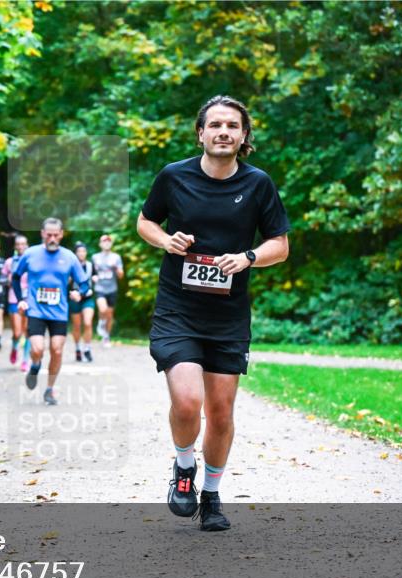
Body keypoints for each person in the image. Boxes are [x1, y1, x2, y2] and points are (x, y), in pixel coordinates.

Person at [137, 95, 290, 530]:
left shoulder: (258, 184)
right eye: (215, 125)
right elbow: (145, 221)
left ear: (244, 137)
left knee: (221, 413)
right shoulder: (174, 177)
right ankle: (184, 469)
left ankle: (212, 496)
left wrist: (247, 257)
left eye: (232, 126)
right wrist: (165, 240)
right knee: (188, 403)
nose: (224, 131)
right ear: (201, 133)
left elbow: (279, 245)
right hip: (178, 308)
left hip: (228, 315)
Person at [12, 217, 91, 406]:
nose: (52, 238)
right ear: (42, 234)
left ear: (61, 235)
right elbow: (15, 277)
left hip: (59, 313)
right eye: (49, 235)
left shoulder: (70, 257)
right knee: (37, 349)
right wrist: (21, 300)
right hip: (36, 311)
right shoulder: (31, 254)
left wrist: (78, 293)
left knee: (56, 350)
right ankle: (35, 366)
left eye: (56, 235)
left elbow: (84, 282)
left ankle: (49, 389)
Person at [3, 234, 32, 371]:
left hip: (29, 299)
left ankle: (25, 360)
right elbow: (2, 278)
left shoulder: (32, 261)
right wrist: (8, 281)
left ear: (27, 246)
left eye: (23, 244)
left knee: (28, 331)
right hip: (14, 298)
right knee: (17, 332)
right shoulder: (9, 262)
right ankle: (14, 348)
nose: (20, 246)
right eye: (18, 244)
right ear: (15, 246)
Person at [92, 234, 124, 347]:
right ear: (100, 244)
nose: (106, 243)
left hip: (112, 289)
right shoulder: (95, 257)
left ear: (111, 244)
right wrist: (93, 277)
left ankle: (106, 337)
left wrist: (117, 268)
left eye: (108, 241)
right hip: (100, 288)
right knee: (103, 309)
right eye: (104, 241)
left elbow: (121, 275)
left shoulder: (116, 257)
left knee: (110, 315)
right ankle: (100, 323)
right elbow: (92, 273)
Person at [69, 241, 96, 362]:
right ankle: (77, 348)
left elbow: (95, 276)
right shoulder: (71, 266)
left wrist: (96, 278)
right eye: (79, 251)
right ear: (75, 253)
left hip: (88, 297)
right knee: (76, 325)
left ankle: (87, 348)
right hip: (75, 298)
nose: (81, 253)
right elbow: (66, 282)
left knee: (88, 322)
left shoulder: (90, 265)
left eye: (83, 251)